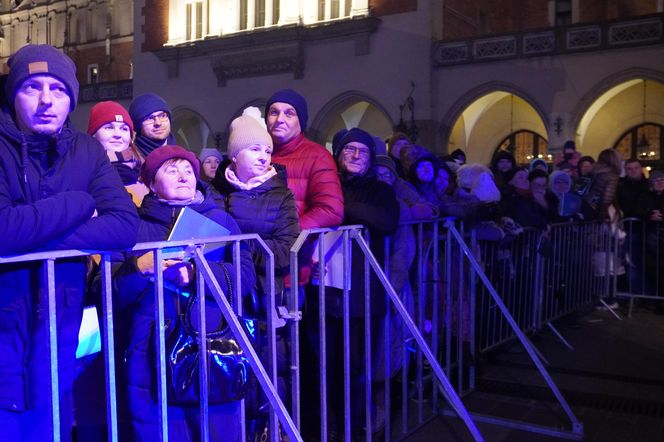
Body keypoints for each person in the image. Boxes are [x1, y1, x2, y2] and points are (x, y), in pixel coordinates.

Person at [0, 44, 139, 441]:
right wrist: (78, 203)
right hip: (4, 321)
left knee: (52, 419)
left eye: (58, 90)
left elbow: (124, 226)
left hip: (59, 320)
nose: (47, 100)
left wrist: (34, 233)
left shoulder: (86, 150)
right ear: (13, 94)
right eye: (32, 87)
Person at [113, 145, 256, 441]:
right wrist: (139, 269)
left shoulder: (221, 221)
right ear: (151, 183)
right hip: (151, 352)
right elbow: (112, 292)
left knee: (217, 429)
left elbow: (245, 277)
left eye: (188, 170)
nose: (182, 176)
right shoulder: (134, 228)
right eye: (171, 170)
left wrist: (196, 275)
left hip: (212, 344)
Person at [308, 128, 399, 440]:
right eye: (349, 150)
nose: (356, 155)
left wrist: (338, 209)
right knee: (326, 368)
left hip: (362, 297)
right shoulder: (327, 185)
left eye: (362, 150)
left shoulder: (379, 190)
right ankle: (330, 427)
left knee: (357, 369)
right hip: (325, 292)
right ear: (339, 154)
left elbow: (387, 221)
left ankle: (354, 426)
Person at [88, 100, 149, 205]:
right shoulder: (84, 171)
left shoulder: (146, 171)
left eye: (124, 129)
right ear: (93, 134)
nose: (118, 134)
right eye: (109, 127)